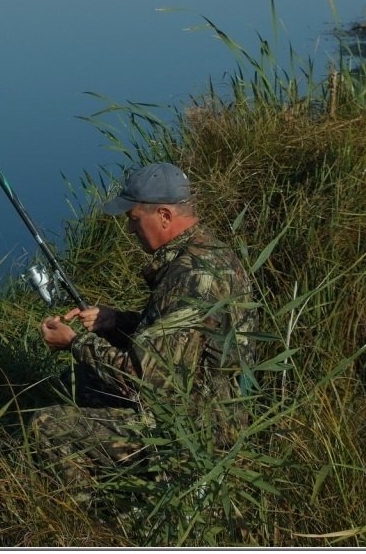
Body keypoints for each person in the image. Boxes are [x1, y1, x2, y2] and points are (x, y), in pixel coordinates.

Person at [30, 161, 256, 493]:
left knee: (47, 426)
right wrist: (115, 321)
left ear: (164, 216)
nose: (129, 230)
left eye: (134, 220)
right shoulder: (211, 254)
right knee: (78, 382)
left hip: (198, 430)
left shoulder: (190, 278)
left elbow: (145, 379)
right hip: (208, 406)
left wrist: (76, 343)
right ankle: (126, 485)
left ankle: (98, 524)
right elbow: (180, 341)